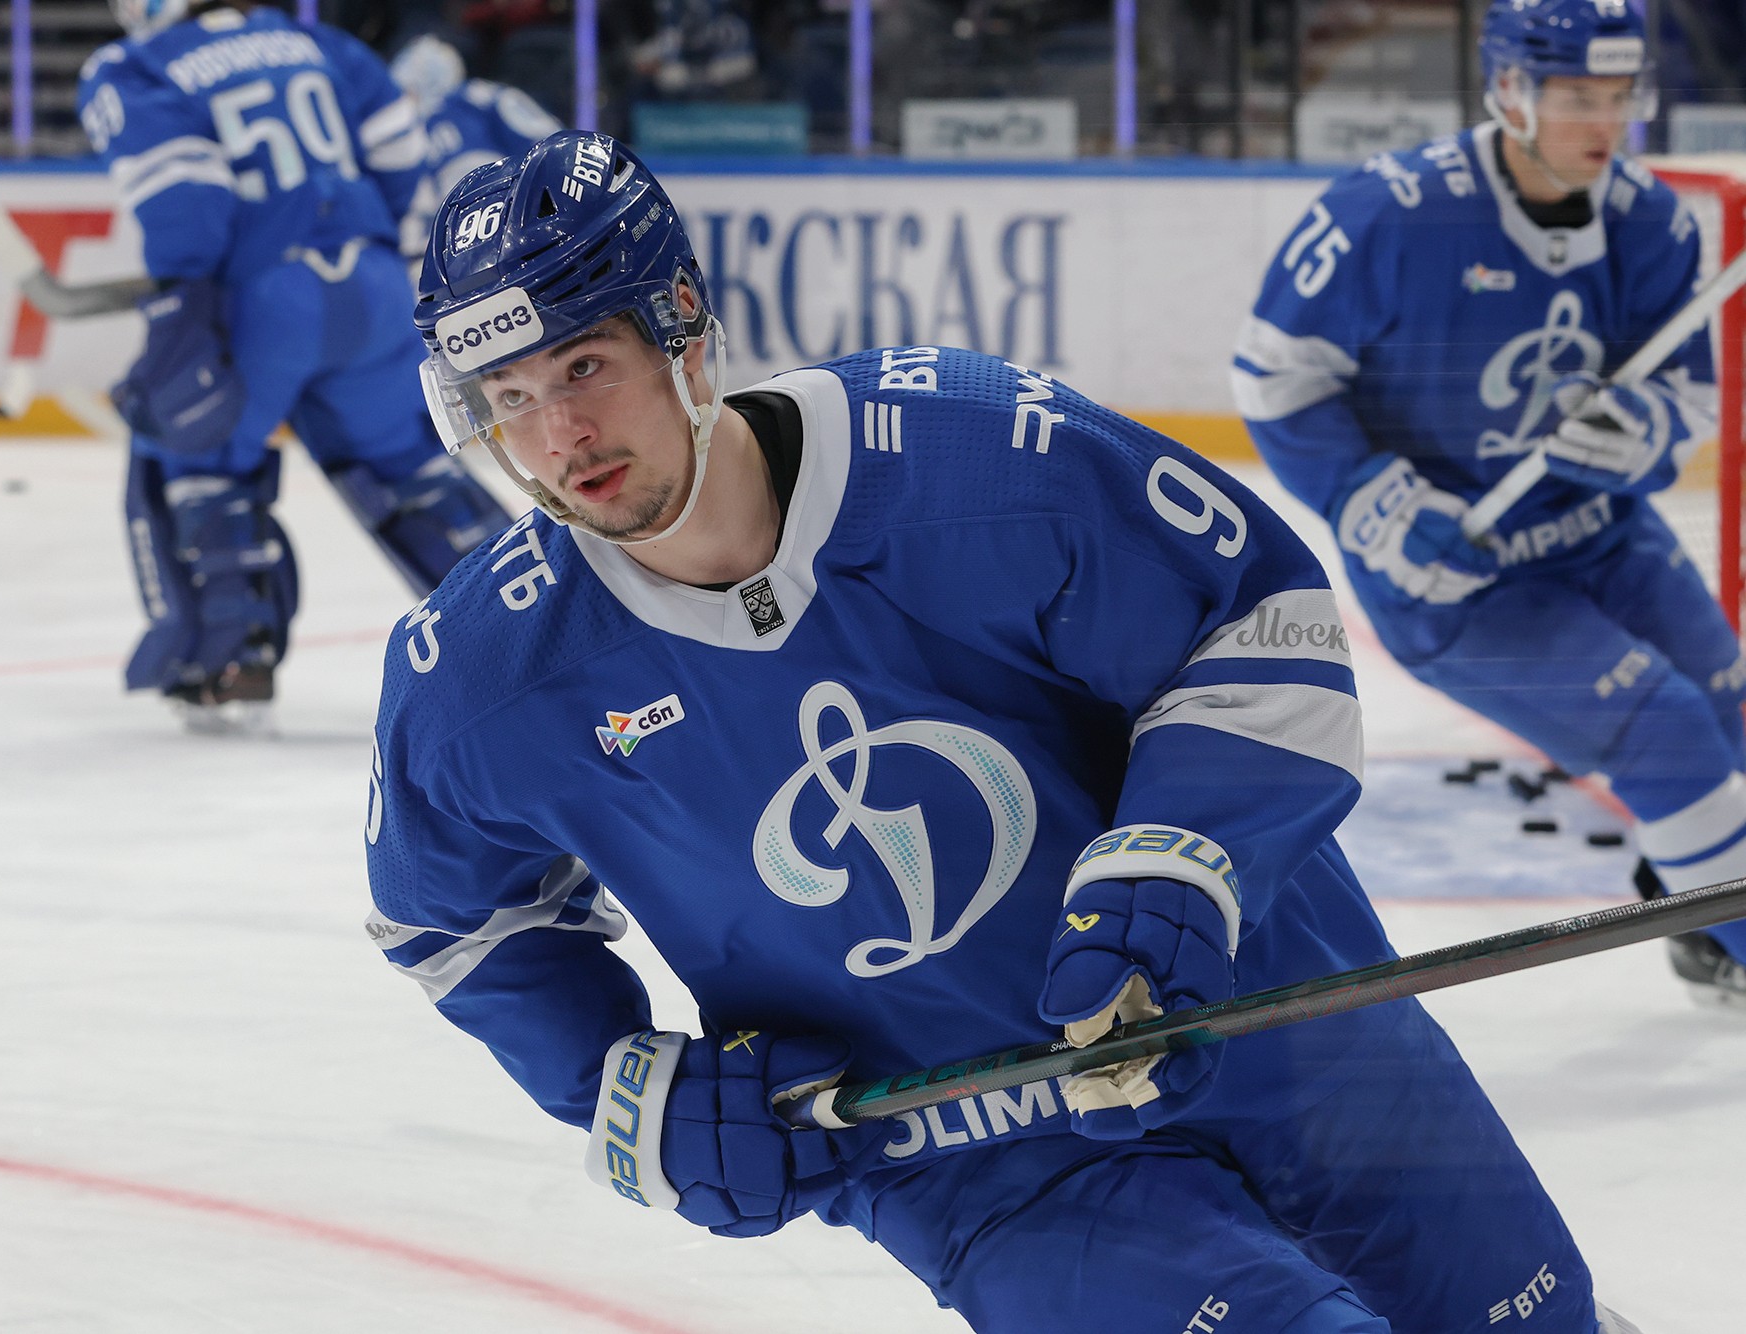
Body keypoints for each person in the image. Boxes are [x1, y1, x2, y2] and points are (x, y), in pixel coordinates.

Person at [363, 129, 1634, 1333]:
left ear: (681, 325)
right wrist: (623, 1088)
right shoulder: (478, 673)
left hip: (1278, 1013)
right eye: (508, 397)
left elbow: (1255, 619)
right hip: (972, 1155)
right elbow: (447, 919)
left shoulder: (972, 452)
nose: (557, 438)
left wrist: (1180, 855)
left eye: (583, 368)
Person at [1234, 0, 1746, 1009]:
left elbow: (1684, 394)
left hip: (1600, 538)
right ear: (1510, 89)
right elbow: (1274, 376)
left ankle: (1698, 923)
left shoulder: (1646, 220)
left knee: (1726, 713)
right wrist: (1369, 501)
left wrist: (1640, 431)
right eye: (1576, 96)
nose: (1605, 123)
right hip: (1456, 579)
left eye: (1619, 96)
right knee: (1666, 733)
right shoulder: (1389, 212)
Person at [79, 0, 509, 728]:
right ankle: (526, 631)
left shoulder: (134, 66)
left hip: (260, 299)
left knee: (197, 461)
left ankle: (229, 663)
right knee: (411, 469)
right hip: (372, 287)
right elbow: (399, 155)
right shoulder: (317, 42)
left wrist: (184, 304)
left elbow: (186, 198)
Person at [387, 34, 560, 263]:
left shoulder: (475, 98)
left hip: (518, 225)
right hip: (450, 252)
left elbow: (552, 145)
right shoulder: (401, 132)